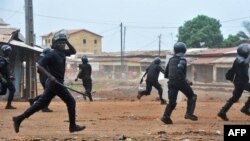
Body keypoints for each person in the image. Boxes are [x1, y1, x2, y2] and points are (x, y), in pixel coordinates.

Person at [12, 31, 85, 133]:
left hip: (54, 83)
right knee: (71, 101)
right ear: (54, 44)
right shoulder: (52, 54)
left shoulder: (62, 53)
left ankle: (19, 119)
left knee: (41, 104)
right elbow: (39, 65)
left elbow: (73, 51)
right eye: (60, 43)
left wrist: (66, 41)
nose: (62, 44)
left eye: (63, 43)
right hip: (55, 83)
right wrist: (50, 76)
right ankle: (72, 126)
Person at [161, 42, 198, 124]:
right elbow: (180, 70)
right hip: (180, 81)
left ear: (175, 50)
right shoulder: (182, 59)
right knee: (192, 96)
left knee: (172, 101)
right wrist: (187, 81)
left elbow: (166, 74)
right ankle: (189, 113)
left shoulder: (171, 59)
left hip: (171, 82)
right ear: (184, 50)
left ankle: (166, 117)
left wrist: (173, 78)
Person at [218, 43, 250, 121]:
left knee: (235, 97)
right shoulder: (240, 59)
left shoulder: (239, 58)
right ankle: (245, 108)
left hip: (239, 81)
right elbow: (245, 63)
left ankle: (222, 111)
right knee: (235, 97)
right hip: (242, 82)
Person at [28, 48, 53, 112]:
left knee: (47, 93)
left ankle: (33, 100)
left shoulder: (42, 60)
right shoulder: (47, 60)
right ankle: (44, 107)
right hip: (46, 79)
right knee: (48, 93)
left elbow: (38, 71)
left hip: (43, 78)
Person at [0, 44, 16, 109]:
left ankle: (8, 105)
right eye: (8, 51)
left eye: (10, 51)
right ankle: (8, 105)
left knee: (3, 92)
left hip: (6, 78)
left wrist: (10, 76)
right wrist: (2, 78)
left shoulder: (5, 59)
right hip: (4, 78)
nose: (9, 52)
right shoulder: (2, 60)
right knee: (12, 89)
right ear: (4, 51)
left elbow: (6, 69)